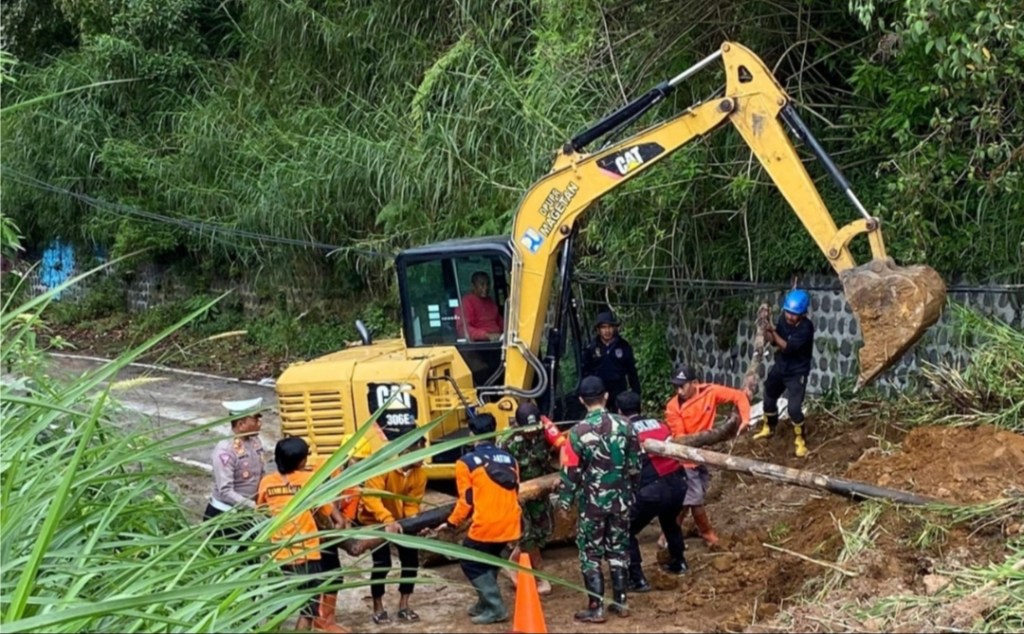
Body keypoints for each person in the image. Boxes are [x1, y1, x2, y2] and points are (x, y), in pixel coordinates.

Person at [558, 376, 641, 622]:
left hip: (592, 504)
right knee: (618, 549)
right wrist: (631, 492)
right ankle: (621, 602)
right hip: (621, 500)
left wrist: (564, 502)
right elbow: (636, 466)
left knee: (590, 553)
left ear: (582, 400)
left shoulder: (577, 433)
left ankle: (596, 607)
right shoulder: (626, 426)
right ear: (606, 396)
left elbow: (570, 472)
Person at [429, 414, 521, 625]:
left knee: (469, 560)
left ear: (472, 434)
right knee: (488, 558)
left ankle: (495, 606)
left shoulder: (466, 463)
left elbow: (466, 501)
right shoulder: (511, 459)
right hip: (511, 523)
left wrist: (452, 523)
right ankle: (484, 602)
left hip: (487, 524)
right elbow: (516, 489)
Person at [257, 437, 347, 632]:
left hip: (278, 554)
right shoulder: (309, 481)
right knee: (308, 612)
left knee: (277, 607)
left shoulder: (266, 482)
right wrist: (336, 529)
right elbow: (336, 519)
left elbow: (262, 511)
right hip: (307, 554)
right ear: (301, 462)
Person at [664, 365, 751, 548]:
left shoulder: (709, 392)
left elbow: (739, 396)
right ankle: (708, 535)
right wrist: (705, 439)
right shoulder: (673, 407)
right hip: (686, 457)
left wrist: (745, 419)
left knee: (689, 500)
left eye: (682, 386)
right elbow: (681, 440)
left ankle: (667, 536)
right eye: (676, 387)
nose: (679, 391)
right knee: (695, 500)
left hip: (703, 455)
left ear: (695, 383)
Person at [616, 391, 688, 592]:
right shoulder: (659, 424)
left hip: (653, 489)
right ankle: (679, 561)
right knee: (669, 521)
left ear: (620, 412)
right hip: (679, 483)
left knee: (625, 529)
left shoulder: (624, 431)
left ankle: (637, 578)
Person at [355, 439, 428, 625]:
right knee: (382, 564)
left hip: (399, 521)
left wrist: (414, 521)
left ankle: (404, 604)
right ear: (406, 451)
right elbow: (371, 498)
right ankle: (378, 606)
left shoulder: (419, 474)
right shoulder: (383, 467)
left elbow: (412, 502)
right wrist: (387, 519)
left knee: (411, 561)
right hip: (375, 522)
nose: (424, 456)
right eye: (419, 451)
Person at [497, 402, 556, 595]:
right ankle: (540, 577)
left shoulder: (544, 431)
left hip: (540, 492)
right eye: (528, 431)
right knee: (527, 535)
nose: (532, 434)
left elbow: (554, 453)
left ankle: (513, 563)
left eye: (535, 430)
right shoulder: (507, 442)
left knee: (544, 531)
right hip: (518, 495)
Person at [753, 289, 816, 457]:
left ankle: (800, 439)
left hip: (797, 372)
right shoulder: (783, 319)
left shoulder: (806, 328)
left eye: (794, 314)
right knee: (769, 393)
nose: (789, 316)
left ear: (802, 314)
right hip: (781, 366)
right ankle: (769, 426)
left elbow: (787, 347)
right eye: (787, 312)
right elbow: (776, 342)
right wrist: (766, 331)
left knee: (794, 408)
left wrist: (773, 331)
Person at [204, 397, 266, 542]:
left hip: (246, 515)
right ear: (241, 424)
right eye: (255, 419)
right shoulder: (225, 450)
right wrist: (253, 506)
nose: (260, 423)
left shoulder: (255, 442)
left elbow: (260, 474)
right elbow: (225, 491)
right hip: (226, 517)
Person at [581, 311, 641, 407]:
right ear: (598, 329)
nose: (607, 330)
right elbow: (585, 371)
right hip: (598, 393)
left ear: (614, 328)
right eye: (603, 327)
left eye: (609, 327)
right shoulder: (591, 348)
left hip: (619, 390)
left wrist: (636, 393)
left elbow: (632, 372)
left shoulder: (624, 346)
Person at [458, 271, 504, 341]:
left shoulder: (490, 301)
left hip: (497, 340)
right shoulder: (466, 302)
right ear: (473, 286)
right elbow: (463, 329)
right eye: (482, 285)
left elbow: (500, 322)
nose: (486, 288)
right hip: (480, 344)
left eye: (488, 284)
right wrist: (486, 336)